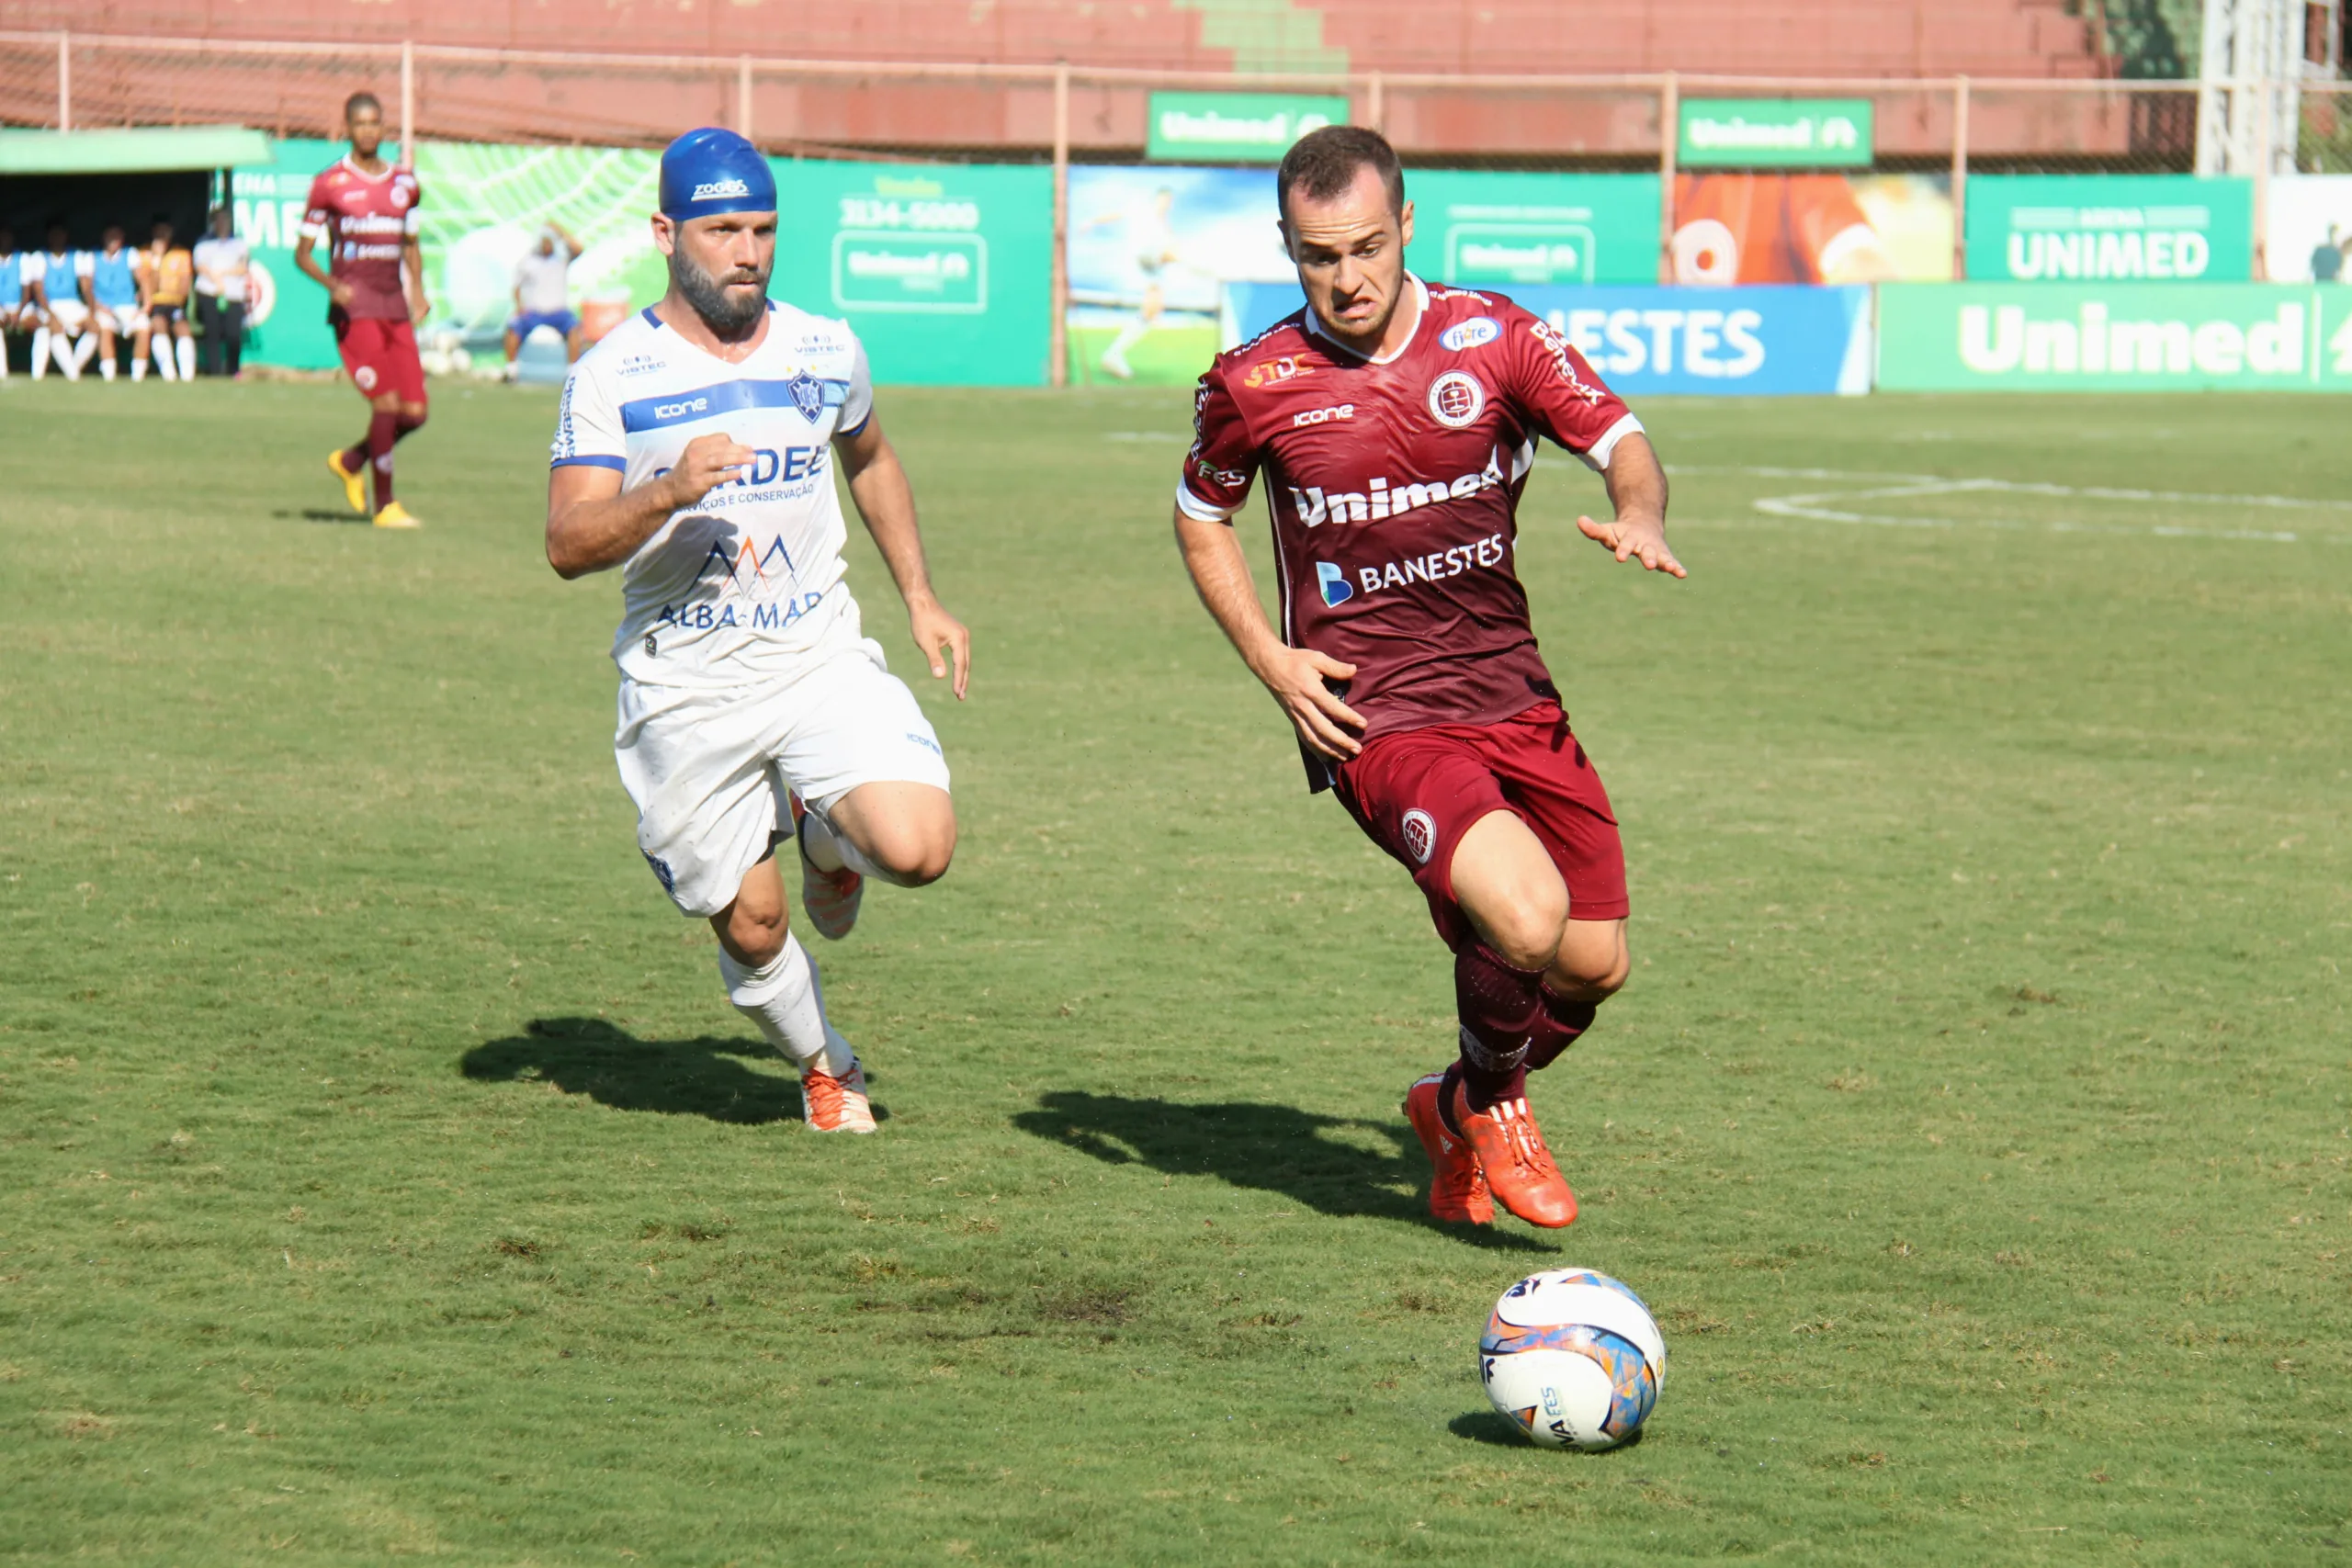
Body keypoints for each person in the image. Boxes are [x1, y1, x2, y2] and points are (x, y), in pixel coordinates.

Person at [1171, 127, 1682, 1230]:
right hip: (1375, 712)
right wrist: (1269, 656)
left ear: (1407, 226)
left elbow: (1623, 441)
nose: (1346, 279)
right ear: (1285, 248)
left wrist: (1639, 511)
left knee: (1593, 965)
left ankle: (1447, 1101)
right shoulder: (1253, 382)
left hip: (1513, 695)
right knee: (1525, 917)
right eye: (1317, 257)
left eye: (1364, 248)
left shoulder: (1495, 338)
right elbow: (1199, 515)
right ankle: (1497, 1105)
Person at [543, 129, 971, 1135]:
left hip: (814, 656)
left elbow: (869, 458)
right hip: (685, 691)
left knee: (918, 849)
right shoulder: (612, 374)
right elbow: (566, 541)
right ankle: (826, 1063)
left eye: (763, 229)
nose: (746, 250)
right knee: (754, 922)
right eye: (722, 228)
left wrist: (919, 595)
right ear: (666, 232)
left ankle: (824, 832)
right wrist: (668, 491)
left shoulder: (824, 346)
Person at [296, 90, 431, 529]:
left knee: (415, 412)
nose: (369, 130)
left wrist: (419, 291)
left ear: (383, 127)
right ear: (348, 128)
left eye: (376, 123)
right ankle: (386, 506)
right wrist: (331, 285)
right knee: (387, 404)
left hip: (394, 307)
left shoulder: (405, 185)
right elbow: (302, 253)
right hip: (356, 312)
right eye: (361, 123)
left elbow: (411, 244)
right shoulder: (329, 184)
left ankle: (351, 460)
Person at [504, 220, 583, 379]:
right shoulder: (527, 262)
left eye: (550, 242)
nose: (547, 246)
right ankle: (511, 370)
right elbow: (516, 287)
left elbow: (579, 248)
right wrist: (519, 307)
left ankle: (571, 371)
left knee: (574, 327)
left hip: (558, 312)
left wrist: (560, 230)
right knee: (513, 327)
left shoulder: (561, 258)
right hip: (534, 312)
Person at [28, 221, 96, 381]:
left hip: (72, 304)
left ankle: (75, 366)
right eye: (54, 234)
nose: (58, 238)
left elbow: (86, 288)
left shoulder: (76, 255)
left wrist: (92, 311)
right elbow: (39, 291)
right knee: (53, 328)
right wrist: (51, 315)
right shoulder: (39, 257)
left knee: (94, 327)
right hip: (49, 305)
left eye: (61, 234)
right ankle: (72, 375)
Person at [132, 218, 196, 383]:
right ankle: (169, 374)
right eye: (159, 232)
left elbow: (184, 286)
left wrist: (176, 295)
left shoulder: (181, 254)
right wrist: (157, 261)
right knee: (158, 324)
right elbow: (149, 287)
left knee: (182, 328)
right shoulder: (144, 254)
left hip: (174, 302)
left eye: (165, 231)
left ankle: (187, 374)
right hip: (154, 302)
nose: (162, 236)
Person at [192, 206, 250, 377]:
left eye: (225, 219)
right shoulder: (203, 243)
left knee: (234, 334)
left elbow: (243, 267)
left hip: (234, 293)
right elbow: (200, 266)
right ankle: (215, 371)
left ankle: (234, 370)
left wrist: (224, 275)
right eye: (218, 219)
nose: (222, 223)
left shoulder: (239, 243)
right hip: (208, 291)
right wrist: (215, 280)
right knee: (213, 333)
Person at [87, 223, 148, 382]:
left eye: (117, 237)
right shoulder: (93, 256)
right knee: (105, 329)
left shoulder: (130, 254)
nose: (114, 241)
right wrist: (98, 306)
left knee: (144, 328)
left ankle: (138, 376)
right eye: (110, 236)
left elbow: (143, 280)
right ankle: (109, 374)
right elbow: (87, 287)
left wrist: (146, 306)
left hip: (128, 306)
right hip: (103, 307)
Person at [0, 225, 31, 380]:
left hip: (20, 306)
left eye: (7, 237)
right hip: (1, 307)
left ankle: (38, 375)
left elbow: (26, 291)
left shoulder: (23, 258)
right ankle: (2, 371)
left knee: (41, 325)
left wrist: (18, 312)